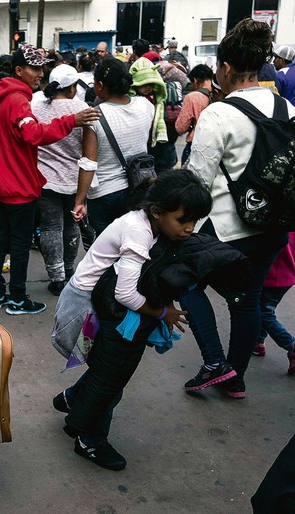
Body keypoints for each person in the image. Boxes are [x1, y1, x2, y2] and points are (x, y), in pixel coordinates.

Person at [52, 170, 212, 470]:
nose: (190, 228)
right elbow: (125, 293)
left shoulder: (151, 225)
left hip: (102, 303)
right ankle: (90, 441)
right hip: (87, 307)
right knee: (111, 380)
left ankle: (73, 398)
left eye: (195, 220)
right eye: (183, 220)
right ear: (157, 211)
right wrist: (163, 312)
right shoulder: (138, 232)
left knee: (106, 371)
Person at [180, 18, 294, 399]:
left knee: (183, 280)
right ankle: (236, 380)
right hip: (273, 227)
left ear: (225, 68)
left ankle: (215, 362)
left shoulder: (218, 113)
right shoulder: (288, 108)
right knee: (246, 302)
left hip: (226, 231)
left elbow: (197, 180)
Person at [0, 43, 100, 315]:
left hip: (2, 182)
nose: (40, 73)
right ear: (18, 70)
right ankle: (17, 299)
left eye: (41, 68)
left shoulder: (0, 96)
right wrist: (71, 120)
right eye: (34, 68)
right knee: (20, 245)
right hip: (20, 185)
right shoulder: (17, 100)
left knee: (0, 240)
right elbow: (33, 134)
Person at [72, 57, 154, 234]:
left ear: (100, 85)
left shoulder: (93, 117)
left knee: (105, 254)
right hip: (139, 189)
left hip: (104, 195)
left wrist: (80, 201)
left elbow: (89, 164)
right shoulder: (146, 106)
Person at [31, 64, 89, 295]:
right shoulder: (82, 108)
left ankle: (56, 277)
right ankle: (68, 269)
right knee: (71, 225)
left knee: (50, 226)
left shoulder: (35, 107)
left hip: (45, 178)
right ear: (72, 87)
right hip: (75, 179)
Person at [251, 233, 295, 375]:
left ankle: (291, 345)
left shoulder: (281, 224)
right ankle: (258, 343)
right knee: (264, 308)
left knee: (263, 312)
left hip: (273, 275)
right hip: (286, 275)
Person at [129, 57, 176, 174]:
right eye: (144, 84)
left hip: (157, 145)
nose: (148, 87)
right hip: (141, 144)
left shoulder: (159, 99)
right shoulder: (131, 100)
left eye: (151, 84)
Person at [175, 64, 213, 165]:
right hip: (215, 144)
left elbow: (180, 127)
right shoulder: (219, 93)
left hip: (196, 144)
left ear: (195, 80)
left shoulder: (192, 97)